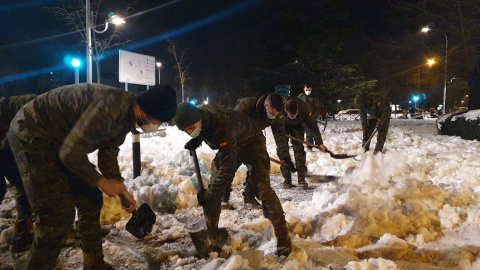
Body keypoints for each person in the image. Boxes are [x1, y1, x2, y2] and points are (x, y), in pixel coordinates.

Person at [7, 83, 177, 270]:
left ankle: (93, 263)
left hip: (59, 142)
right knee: (56, 217)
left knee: (91, 197)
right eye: (159, 121)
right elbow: (69, 154)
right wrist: (101, 181)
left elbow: (107, 156)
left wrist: (122, 192)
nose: (158, 126)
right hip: (33, 134)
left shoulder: (126, 116)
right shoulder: (110, 109)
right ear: (149, 112)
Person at [173, 102, 292, 257]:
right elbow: (206, 129)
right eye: (185, 131)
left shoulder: (222, 125)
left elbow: (228, 169)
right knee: (214, 184)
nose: (189, 132)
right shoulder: (201, 117)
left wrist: (211, 195)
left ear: (198, 118)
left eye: (191, 128)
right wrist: (197, 139)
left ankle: (282, 233)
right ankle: (212, 231)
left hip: (252, 143)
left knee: (261, 188)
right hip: (230, 144)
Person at [219, 93, 284, 209]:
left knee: (258, 166)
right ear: (266, 105)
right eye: (272, 113)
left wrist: (285, 156)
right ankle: (222, 200)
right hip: (236, 140)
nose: (273, 116)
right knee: (229, 167)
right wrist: (231, 147)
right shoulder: (246, 106)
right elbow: (231, 126)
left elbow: (279, 134)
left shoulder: (276, 113)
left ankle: (249, 197)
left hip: (253, 141)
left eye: (276, 114)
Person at [0, 94, 37, 253]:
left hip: (7, 147)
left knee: (23, 184)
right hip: (6, 147)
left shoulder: (17, 103)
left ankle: (22, 234)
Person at [271, 98, 327, 189]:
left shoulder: (303, 108)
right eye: (292, 116)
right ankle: (287, 180)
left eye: (296, 114)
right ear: (285, 111)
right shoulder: (278, 110)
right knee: (283, 152)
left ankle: (302, 179)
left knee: (299, 151)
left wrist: (319, 143)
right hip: (281, 128)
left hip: (297, 127)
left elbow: (312, 125)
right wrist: (280, 134)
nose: (295, 116)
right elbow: (274, 126)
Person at [297, 84, 321, 150]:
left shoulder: (314, 97)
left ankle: (309, 147)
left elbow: (317, 108)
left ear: (311, 89)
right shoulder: (300, 96)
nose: (308, 91)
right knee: (299, 132)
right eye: (306, 89)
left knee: (309, 133)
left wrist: (314, 116)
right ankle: (298, 146)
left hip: (310, 118)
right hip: (301, 118)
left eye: (309, 89)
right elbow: (296, 106)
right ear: (304, 89)